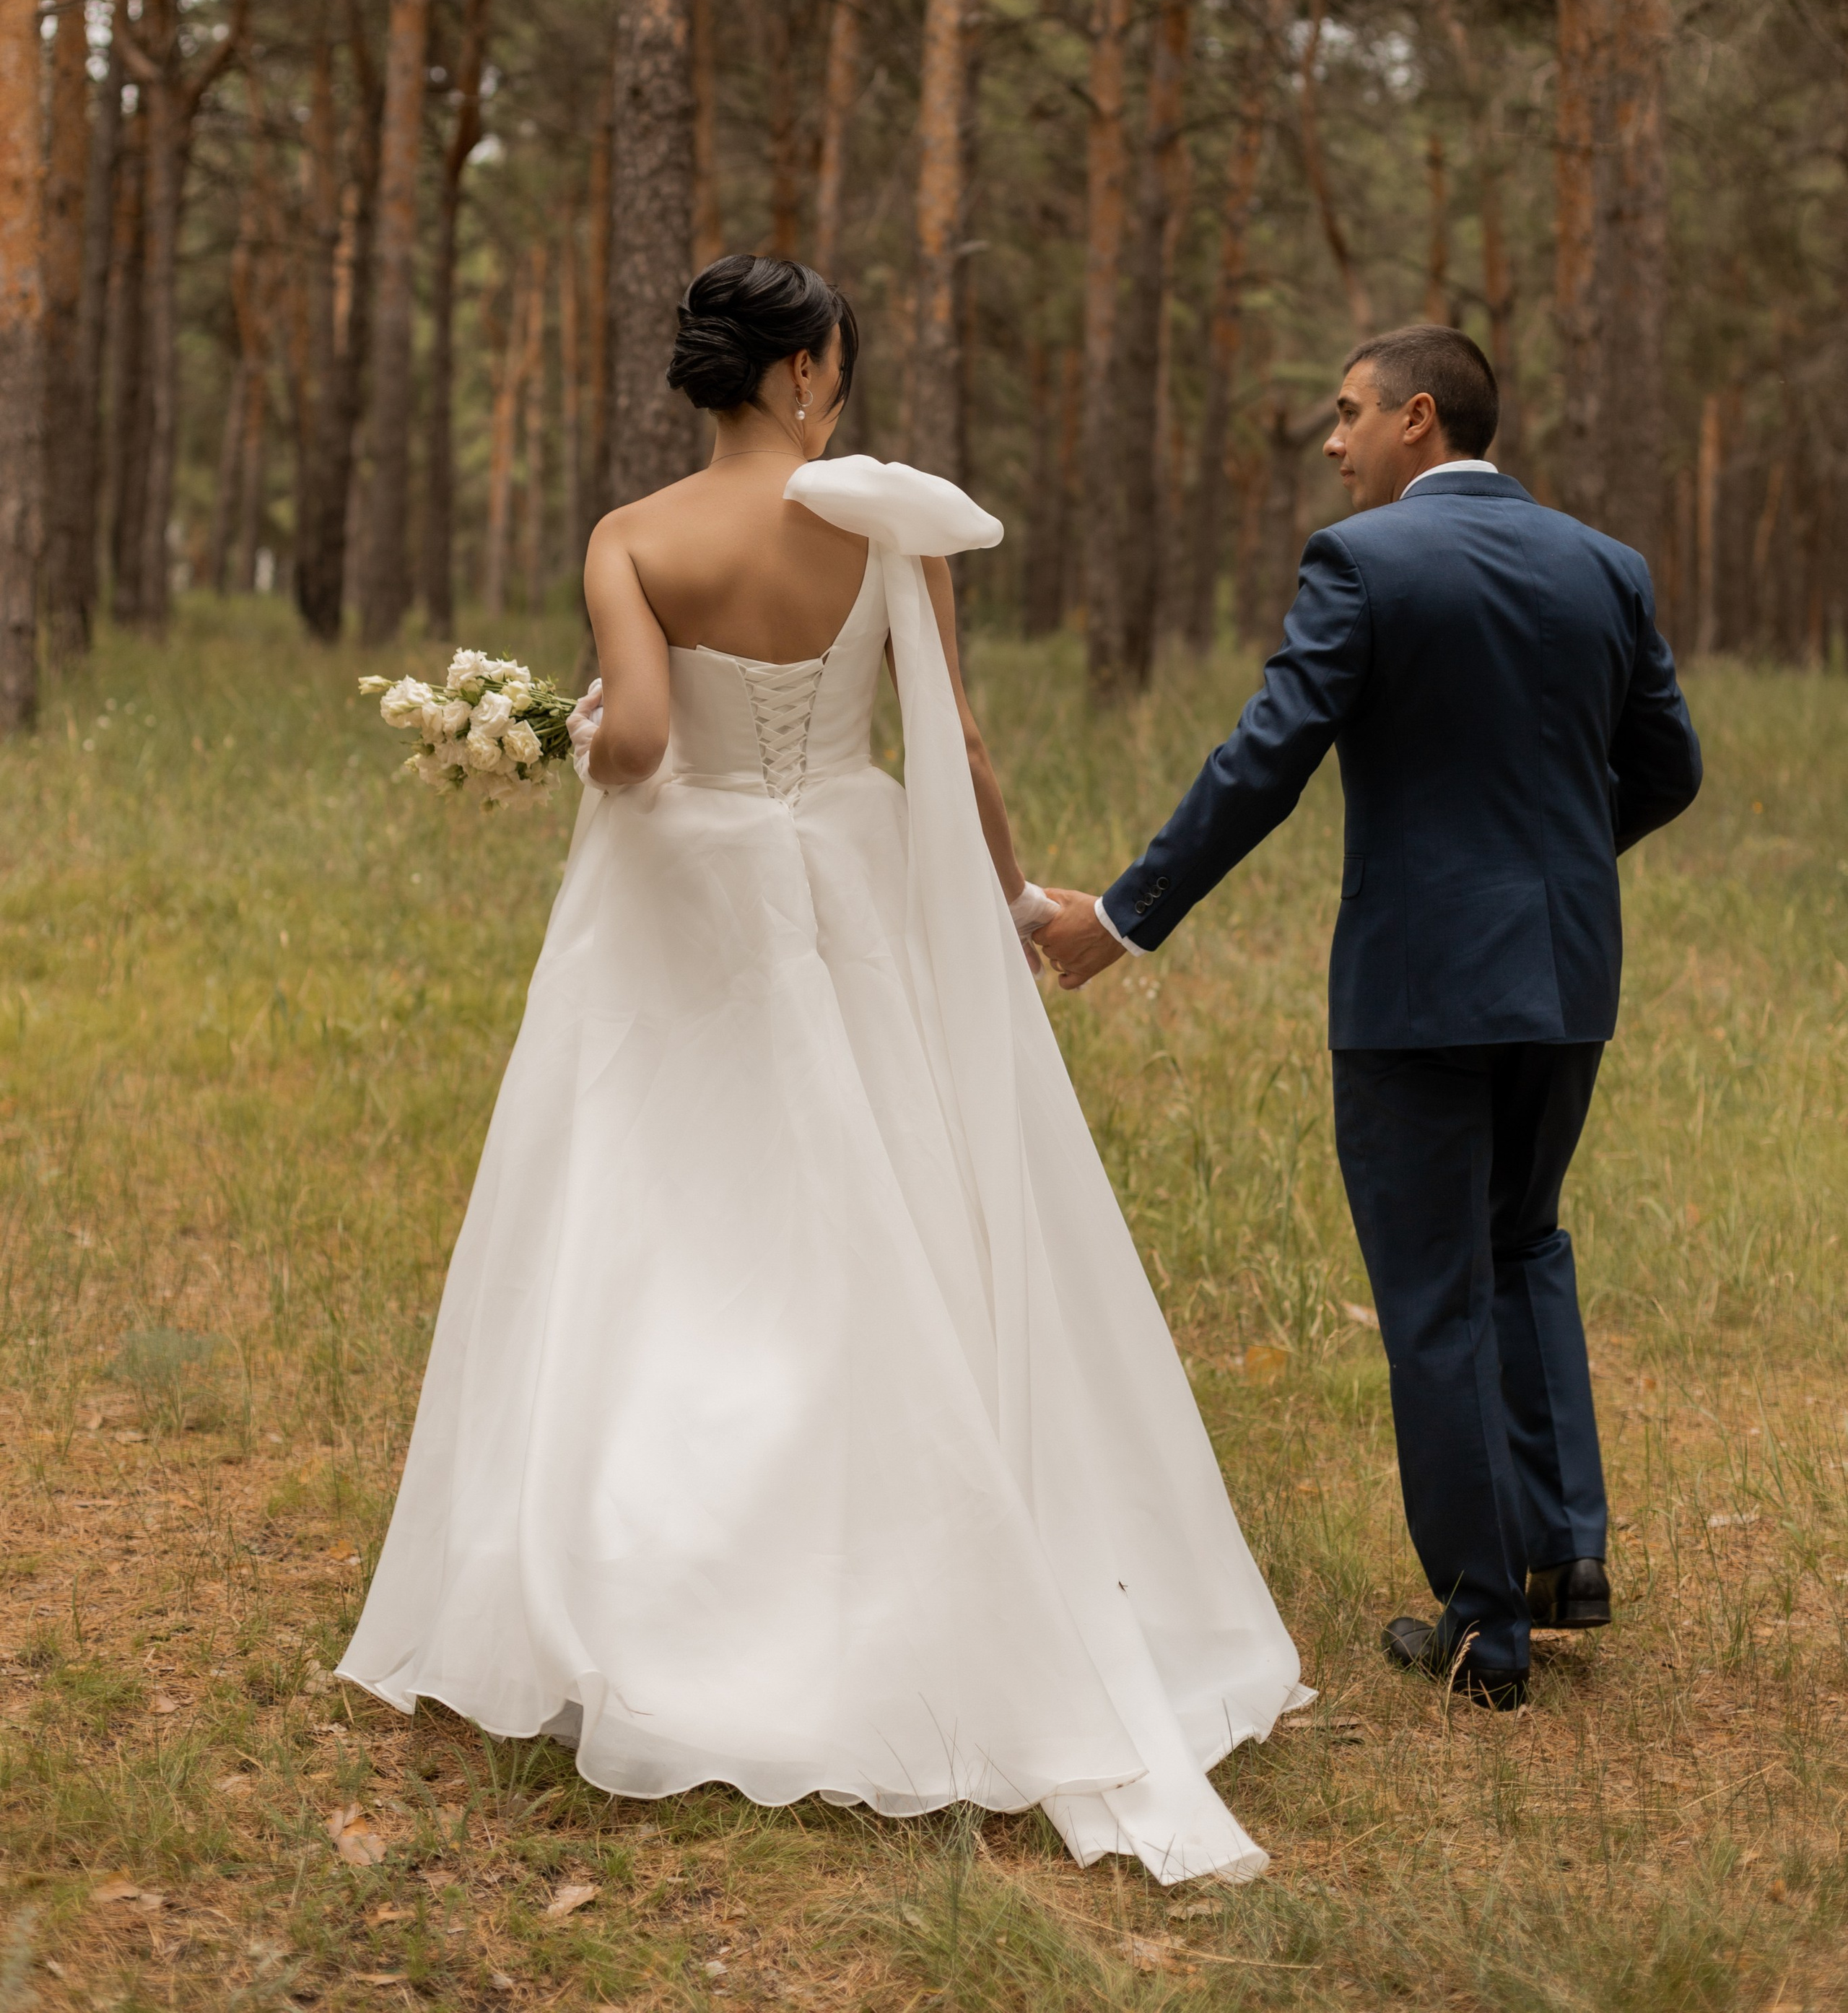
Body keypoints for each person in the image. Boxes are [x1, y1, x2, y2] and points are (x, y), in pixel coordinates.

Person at [341, 253, 1308, 1884]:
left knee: (660, 1217)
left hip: (686, 904)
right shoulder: (887, 523)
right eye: (834, 368)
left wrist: (566, 730)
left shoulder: (633, 538)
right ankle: (920, 1566)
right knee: (884, 1206)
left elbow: (641, 746)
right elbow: (960, 745)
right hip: (854, 876)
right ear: (796, 373)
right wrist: (1006, 900)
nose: (838, 395)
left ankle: (646, 1589)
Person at [1038, 325, 1702, 1711]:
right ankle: (1558, 1555)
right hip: (1567, 977)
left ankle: (1483, 1630)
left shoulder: (1366, 563)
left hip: (1418, 989)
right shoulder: (1607, 567)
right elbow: (1670, 770)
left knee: (1436, 1289)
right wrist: (1554, 877)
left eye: (1345, 416)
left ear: (1418, 419)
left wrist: (1125, 913)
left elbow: (1265, 762)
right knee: (1525, 1243)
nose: (1331, 443)